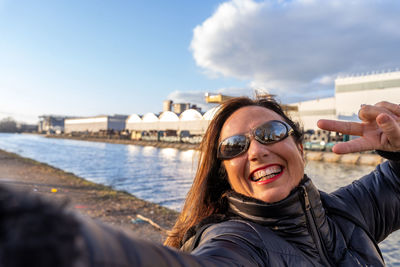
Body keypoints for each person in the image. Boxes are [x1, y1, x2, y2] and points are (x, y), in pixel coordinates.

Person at [0, 97, 399, 266]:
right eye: (236, 146)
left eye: (273, 133)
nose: (256, 151)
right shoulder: (235, 241)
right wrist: (41, 236)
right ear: (222, 171)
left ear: (297, 141)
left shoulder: (347, 210)